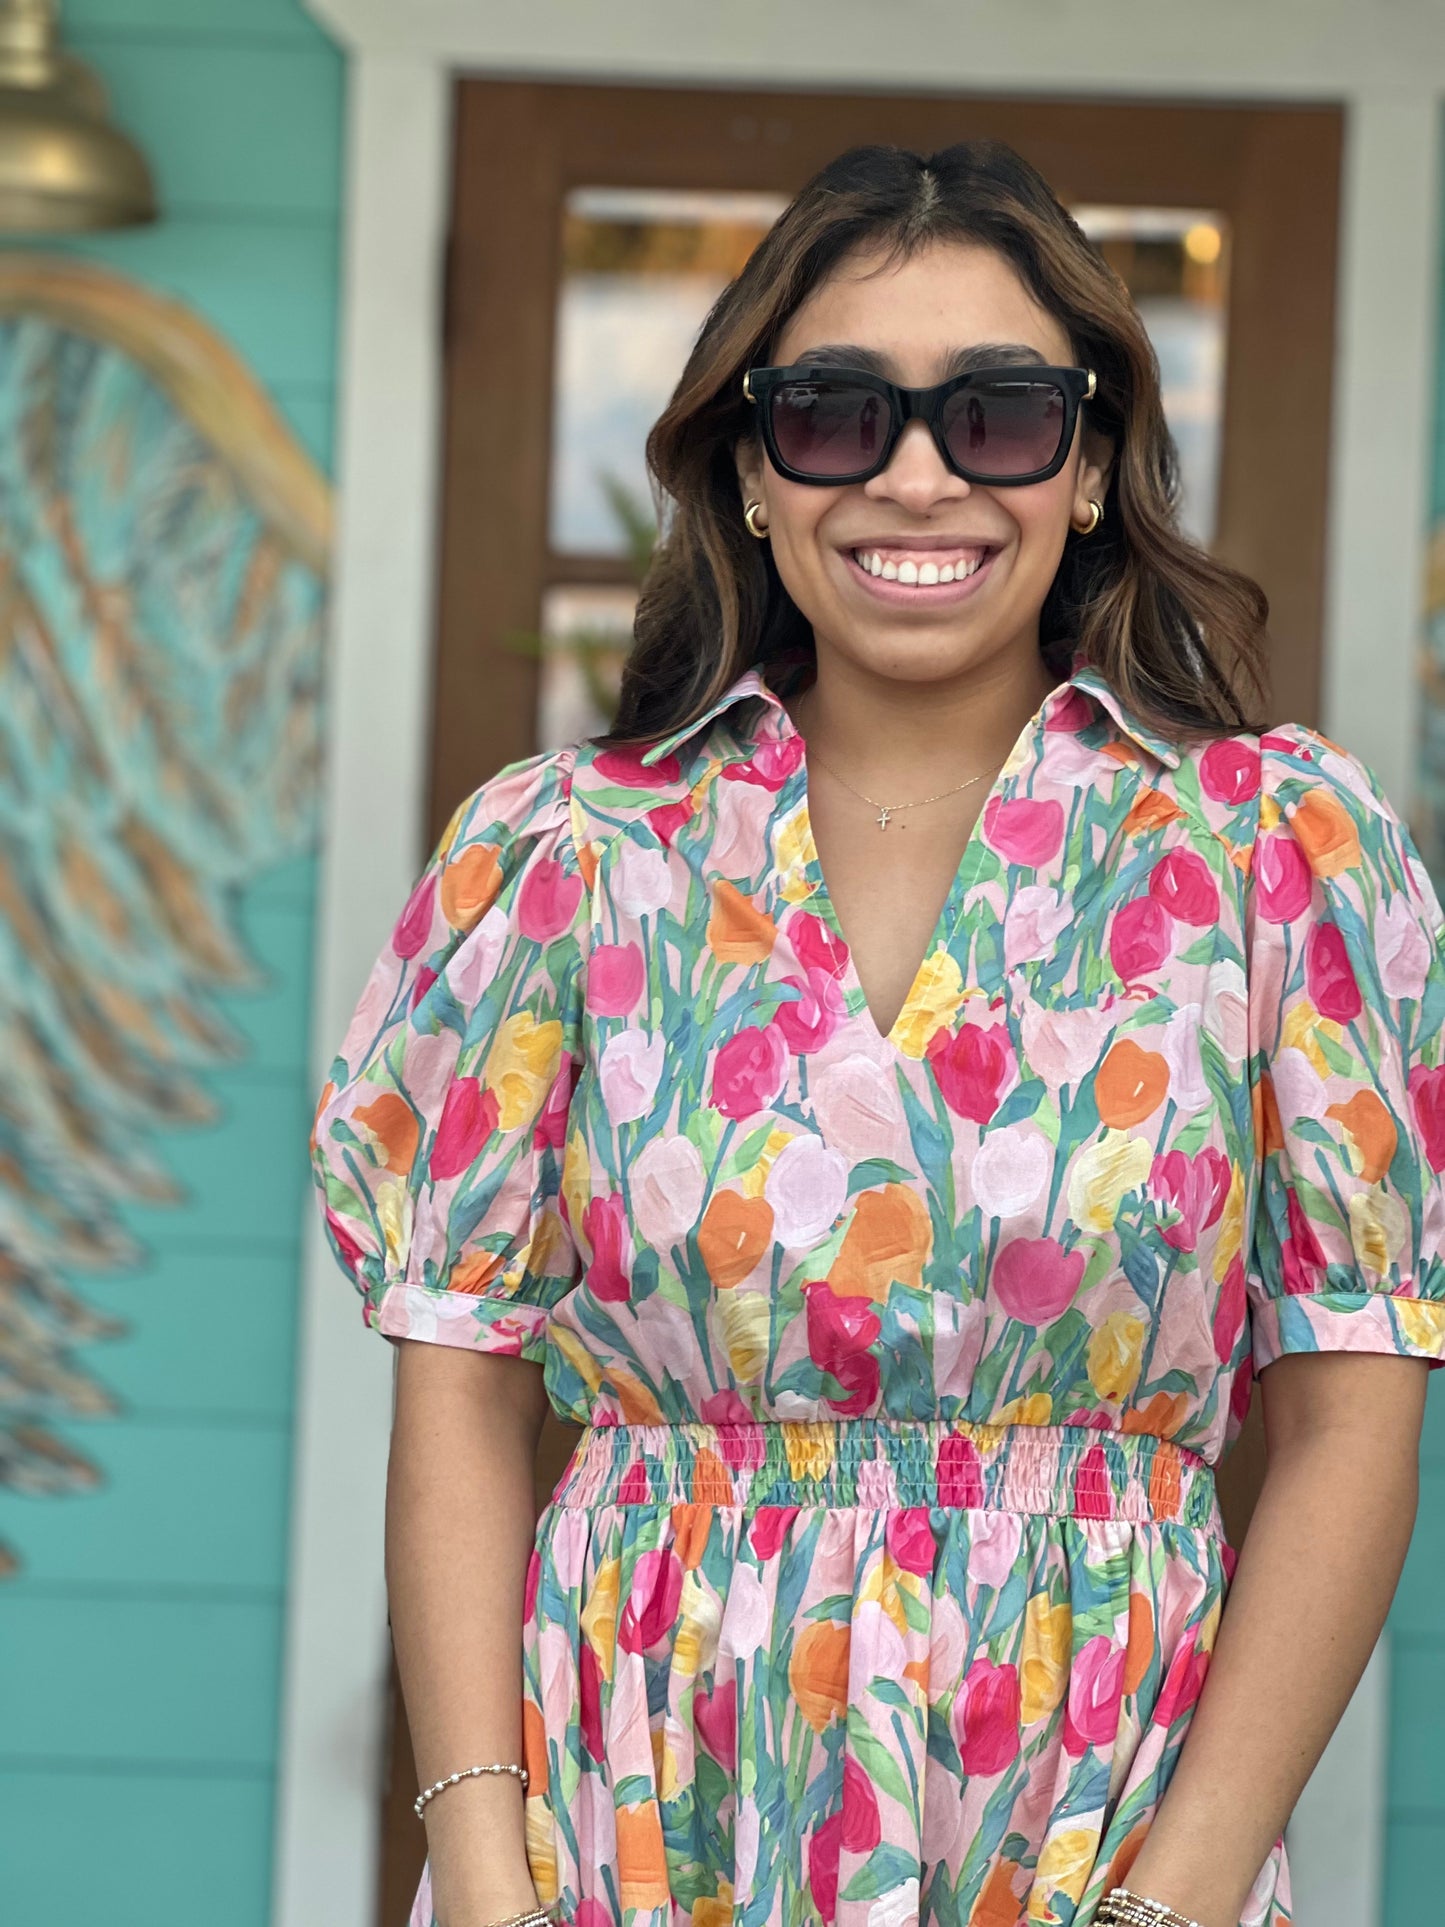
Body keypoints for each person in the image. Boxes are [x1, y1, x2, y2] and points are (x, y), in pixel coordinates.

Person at [308, 140, 1445, 1927]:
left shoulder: (1274, 858)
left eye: (998, 414)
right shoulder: (559, 859)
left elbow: (1355, 1406)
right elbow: (454, 1377)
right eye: (835, 413)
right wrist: (478, 1861)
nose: (917, 475)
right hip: (630, 1824)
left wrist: (1187, 1890)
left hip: (1101, 1841)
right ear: (753, 474)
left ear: (1085, 470)